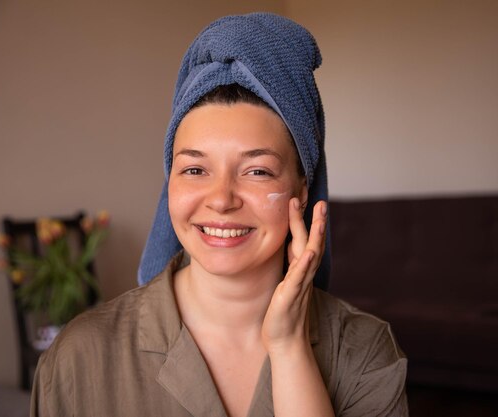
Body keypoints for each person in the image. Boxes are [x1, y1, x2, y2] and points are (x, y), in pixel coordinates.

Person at [31, 13, 408, 417]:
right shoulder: (81, 357)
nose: (222, 199)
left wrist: (288, 347)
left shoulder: (364, 352)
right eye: (195, 169)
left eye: (257, 171)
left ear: (301, 190)